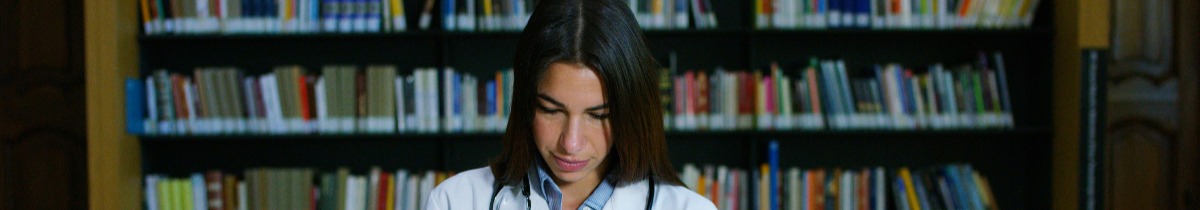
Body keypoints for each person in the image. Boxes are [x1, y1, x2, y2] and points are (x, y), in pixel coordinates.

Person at [423, 0, 716, 209]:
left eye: (598, 115)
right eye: (551, 110)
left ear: (631, 113)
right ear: (525, 104)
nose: (571, 143)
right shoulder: (455, 201)